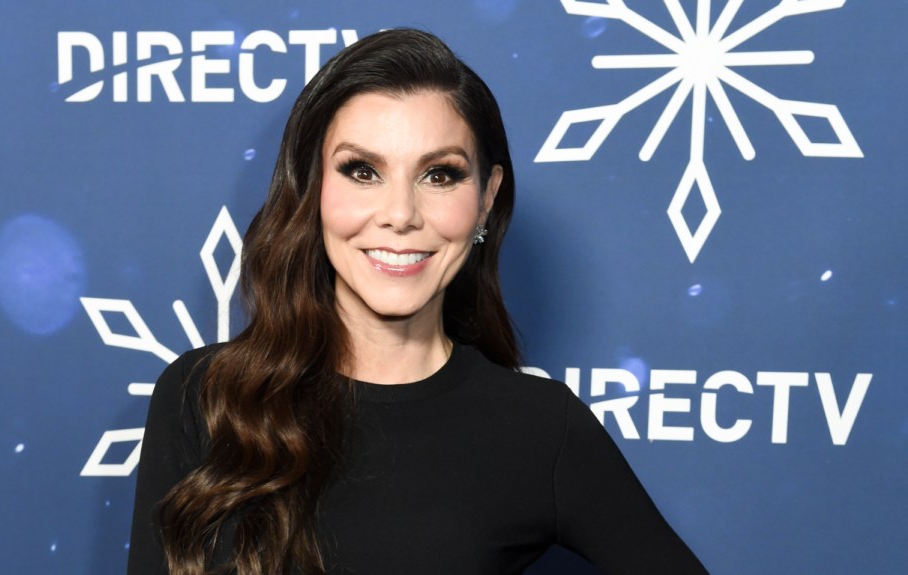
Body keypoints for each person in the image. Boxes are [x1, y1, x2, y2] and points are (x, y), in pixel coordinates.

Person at [127, 28, 707, 575]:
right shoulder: (204, 396)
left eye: (439, 175)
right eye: (362, 171)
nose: (400, 214)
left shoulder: (539, 428)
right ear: (313, 190)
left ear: (486, 200)